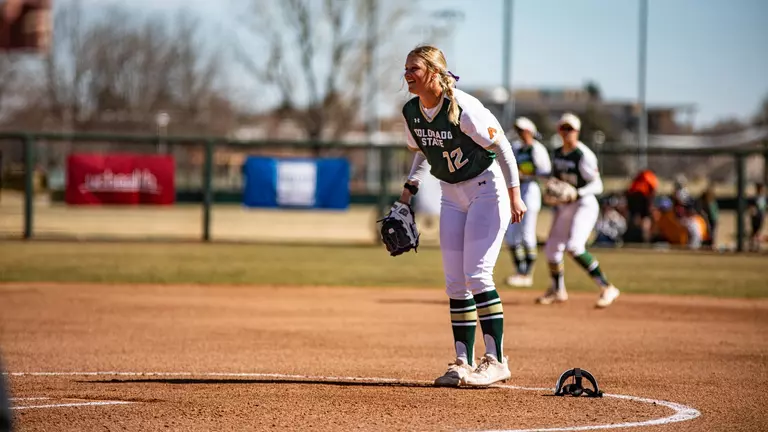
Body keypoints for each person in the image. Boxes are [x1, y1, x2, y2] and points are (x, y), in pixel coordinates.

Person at [398, 45, 526, 387]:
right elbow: (425, 152)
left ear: (434, 73)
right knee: (455, 282)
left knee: (478, 275)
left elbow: (502, 147)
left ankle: (496, 360)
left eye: (414, 68)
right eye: (406, 68)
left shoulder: (463, 108)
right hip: (451, 194)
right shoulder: (411, 111)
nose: (407, 74)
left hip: (487, 190)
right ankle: (462, 363)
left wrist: (514, 194)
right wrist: (407, 192)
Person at [536, 113, 620, 308]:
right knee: (552, 248)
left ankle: (607, 287)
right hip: (565, 205)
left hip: (584, 203)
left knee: (574, 246)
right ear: (559, 131)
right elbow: (555, 178)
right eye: (564, 128)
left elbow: (598, 185)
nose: (567, 132)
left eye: (570, 129)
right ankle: (558, 290)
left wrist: (577, 192)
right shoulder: (557, 153)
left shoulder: (583, 155)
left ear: (577, 131)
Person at [504, 117, 552, 288]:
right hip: (516, 189)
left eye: (522, 130)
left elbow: (545, 173)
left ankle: (527, 274)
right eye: (518, 130)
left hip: (530, 189)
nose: (519, 133)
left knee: (527, 233)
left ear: (530, 131)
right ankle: (520, 271)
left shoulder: (537, 149)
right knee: (511, 234)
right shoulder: (516, 148)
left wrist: (525, 174)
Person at [749, 183, 766, 252]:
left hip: (761, 216)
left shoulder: (763, 198)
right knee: (754, 231)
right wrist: (753, 212)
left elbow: (764, 207)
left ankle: (757, 245)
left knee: (758, 231)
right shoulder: (755, 198)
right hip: (755, 217)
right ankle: (752, 245)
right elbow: (751, 207)